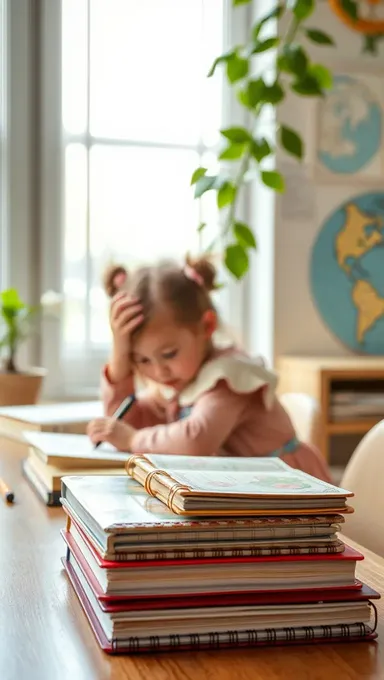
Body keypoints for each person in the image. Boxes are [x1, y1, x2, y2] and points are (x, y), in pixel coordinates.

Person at [87, 256, 332, 483]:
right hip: (251, 489)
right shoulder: (182, 380)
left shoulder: (229, 378)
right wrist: (119, 357)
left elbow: (195, 440)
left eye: (169, 354)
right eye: (142, 360)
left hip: (289, 489)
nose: (159, 372)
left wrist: (132, 439)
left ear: (207, 326)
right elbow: (125, 419)